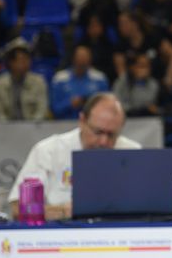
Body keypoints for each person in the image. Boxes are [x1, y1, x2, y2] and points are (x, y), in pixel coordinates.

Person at [8, 93, 140, 220]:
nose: (103, 142)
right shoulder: (49, 151)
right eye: (98, 132)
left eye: (111, 135)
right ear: (82, 121)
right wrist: (64, 211)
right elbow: (17, 209)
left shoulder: (134, 153)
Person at [0, 37, 50, 121]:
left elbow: (42, 111)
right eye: (20, 60)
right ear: (10, 62)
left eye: (27, 59)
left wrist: (31, 129)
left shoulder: (39, 82)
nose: (24, 63)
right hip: (6, 130)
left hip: (34, 129)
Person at [50, 45, 110, 119]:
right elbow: (55, 109)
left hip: (93, 123)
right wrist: (70, 104)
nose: (83, 60)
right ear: (73, 58)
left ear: (90, 58)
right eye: (80, 56)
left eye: (85, 56)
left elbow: (106, 107)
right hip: (64, 123)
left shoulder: (99, 78)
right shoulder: (59, 79)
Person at [112, 52, 161, 116]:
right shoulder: (121, 82)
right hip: (125, 117)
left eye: (147, 66)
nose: (144, 69)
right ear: (132, 67)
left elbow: (150, 103)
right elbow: (116, 103)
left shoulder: (153, 83)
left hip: (147, 118)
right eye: (141, 65)